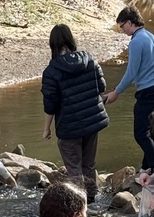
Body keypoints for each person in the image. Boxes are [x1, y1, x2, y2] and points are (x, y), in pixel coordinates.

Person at [42, 24, 108, 203]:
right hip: (92, 122)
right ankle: (93, 199)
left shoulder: (51, 71)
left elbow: (50, 103)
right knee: (89, 163)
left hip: (69, 126)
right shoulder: (90, 61)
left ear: (53, 44)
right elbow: (101, 87)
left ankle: (79, 204)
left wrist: (46, 128)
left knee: (74, 168)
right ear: (71, 40)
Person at [104, 6, 154, 175]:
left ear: (130, 22)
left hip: (148, 91)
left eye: (122, 26)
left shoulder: (136, 42)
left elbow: (131, 72)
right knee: (149, 130)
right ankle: (147, 167)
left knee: (140, 133)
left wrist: (116, 91)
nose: (122, 30)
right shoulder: (152, 37)